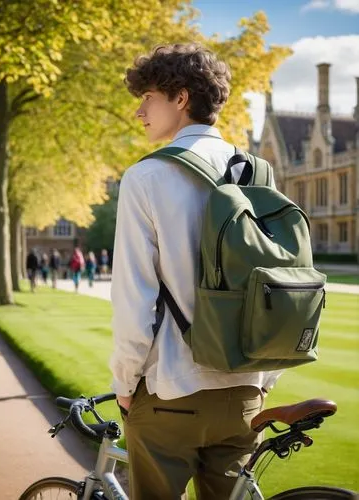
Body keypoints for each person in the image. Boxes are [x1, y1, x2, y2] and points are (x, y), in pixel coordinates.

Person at [109, 44, 282, 500]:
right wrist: (263, 381)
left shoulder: (146, 178)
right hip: (246, 393)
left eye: (148, 96)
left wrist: (125, 385)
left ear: (181, 98)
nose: (139, 111)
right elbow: (277, 284)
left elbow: (133, 299)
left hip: (172, 393)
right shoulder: (258, 173)